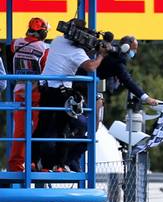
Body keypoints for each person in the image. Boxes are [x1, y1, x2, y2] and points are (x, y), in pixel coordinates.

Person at [34, 19, 105, 171]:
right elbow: (91, 67)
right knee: (63, 129)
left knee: (42, 127)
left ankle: (34, 161)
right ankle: (59, 165)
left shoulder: (58, 41)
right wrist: (101, 55)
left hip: (45, 89)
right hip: (62, 93)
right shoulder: (77, 52)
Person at [8, 18, 48, 171]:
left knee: (20, 130)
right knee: (39, 128)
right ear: (43, 32)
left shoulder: (15, 43)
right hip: (36, 92)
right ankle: (36, 162)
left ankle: (16, 165)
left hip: (19, 91)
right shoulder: (44, 49)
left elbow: (11, 51)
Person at [95, 34, 158, 122]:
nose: (135, 51)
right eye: (134, 48)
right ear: (126, 47)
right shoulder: (118, 60)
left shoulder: (114, 52)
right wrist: (146, 98)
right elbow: (128, 81)